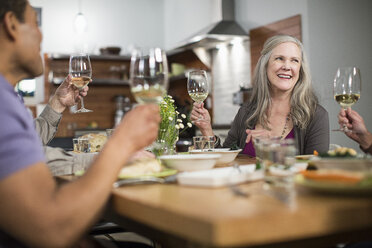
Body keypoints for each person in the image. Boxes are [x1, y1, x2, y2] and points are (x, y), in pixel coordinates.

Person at [0, 1, 160, 248]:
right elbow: (52, 228)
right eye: (35, 23)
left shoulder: (7, 96)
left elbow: (26, 148)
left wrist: (56, 104)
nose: (42, 34)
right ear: (11, 25)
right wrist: (120, 148)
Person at [191, 35, 329, 155]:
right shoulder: (246, 112)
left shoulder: (316, 116)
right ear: (265, 65)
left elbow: (316, 170)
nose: (287, 66)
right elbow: (227, 160)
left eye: (295, 60)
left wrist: (272, 149)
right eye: (279, 58)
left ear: (300, 69)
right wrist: (207, 129)